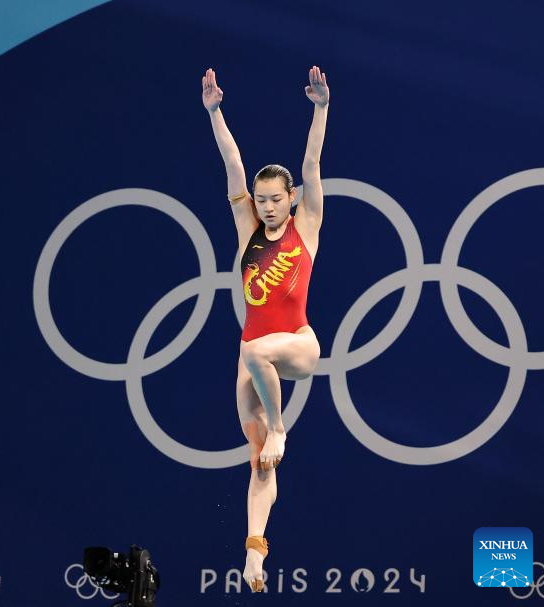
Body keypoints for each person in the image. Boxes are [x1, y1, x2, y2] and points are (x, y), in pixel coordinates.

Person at [202, 65, 329, 591]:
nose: (268, 206)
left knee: (257, 356)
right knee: (258, 464)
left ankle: (280, 428)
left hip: (297, 346)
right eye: (261, 199)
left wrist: (321, 108)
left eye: (277, 198)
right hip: (251, 354)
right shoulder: (246, 231)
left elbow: (312, 161)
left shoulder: (307, 226)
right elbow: (232, 163)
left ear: (293, 198)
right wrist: (215, 112)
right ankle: (255, 552)